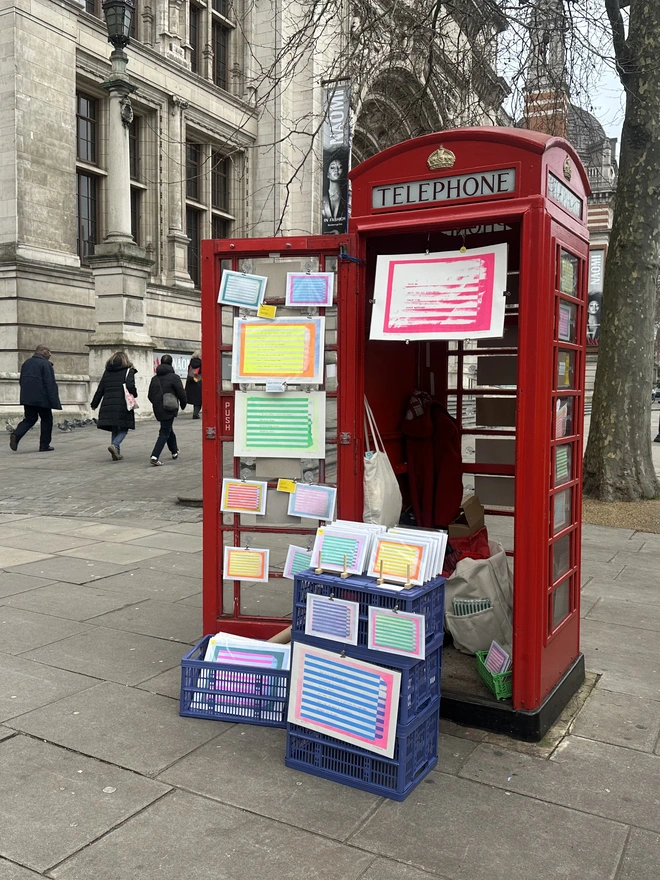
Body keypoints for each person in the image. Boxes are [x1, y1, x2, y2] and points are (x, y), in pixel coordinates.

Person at [9, 344, 62, 452]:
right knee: (47, 419)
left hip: (27, 397)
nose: (50, 354)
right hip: (42, 398)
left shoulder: (26, 363)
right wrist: (54, 401)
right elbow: (49, 384)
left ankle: (16, 434)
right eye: (48, 351)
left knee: (30, 419)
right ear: (42, 351)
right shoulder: (45, 364)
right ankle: (44, 445)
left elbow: (21, 380)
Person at [90, 351, 138, 461]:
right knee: (124, 427)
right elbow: (130, 386)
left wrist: (94, 404)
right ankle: (115, 445)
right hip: (122, 404)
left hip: (108, 403)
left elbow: (100, 389)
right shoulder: (128, 370)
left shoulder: (107, 372)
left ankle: (116, 452)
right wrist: (135, 394)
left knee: (115, 427)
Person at [148, 353, 187, 466]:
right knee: (164, 431)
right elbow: (181, 392)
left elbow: (150, 395)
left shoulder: (154, 378)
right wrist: (183, 404)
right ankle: (154, 456)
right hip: (169, 407)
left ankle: (174, 451)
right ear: (171, 363)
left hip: (158, 408)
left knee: (168, 428)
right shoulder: (174, 377)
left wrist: (157, 403)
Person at [321, 154, 347, 232]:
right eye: (332, 167)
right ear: (327, 174)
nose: (336, 170)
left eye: (340, 167)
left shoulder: (347, 199)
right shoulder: (322, 200)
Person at [185, 349, 202, 419]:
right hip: (199, 381)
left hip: (191, 382)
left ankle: (195, 412)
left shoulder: (191, 363)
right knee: (199, 399)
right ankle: (196, 413)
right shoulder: (202, 363)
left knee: (195, 398)